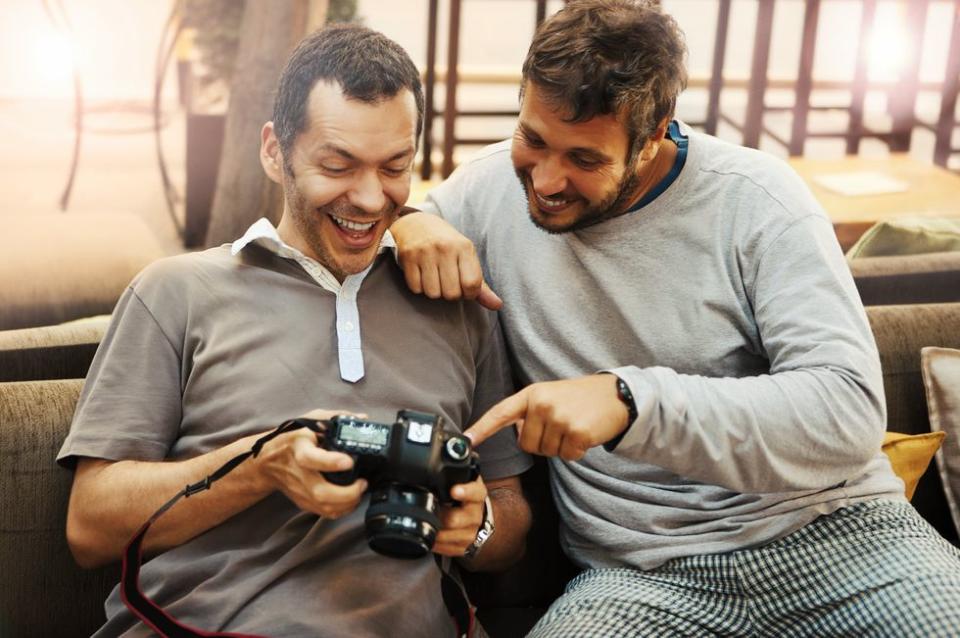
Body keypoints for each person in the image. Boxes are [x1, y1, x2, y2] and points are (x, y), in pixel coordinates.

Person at [389, 1, 960, 635]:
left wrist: (632, 403)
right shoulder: (485, 192)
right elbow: (357, 220)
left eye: (585, 159)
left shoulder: (759, 201)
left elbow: (847, 412)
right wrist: (409, 219)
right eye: (533, 138)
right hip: (640, 576)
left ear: (654, 132)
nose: (546, 179)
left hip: (843, 540)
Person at [58, 24, 531, 638]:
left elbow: (512, 523)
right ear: (274, 152)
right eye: (337, 165)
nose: (368, 198)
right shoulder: (174, 291)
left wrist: (479, 528)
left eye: (394, 167)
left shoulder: (460, 305)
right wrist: (261, 466)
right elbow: (89, 528)